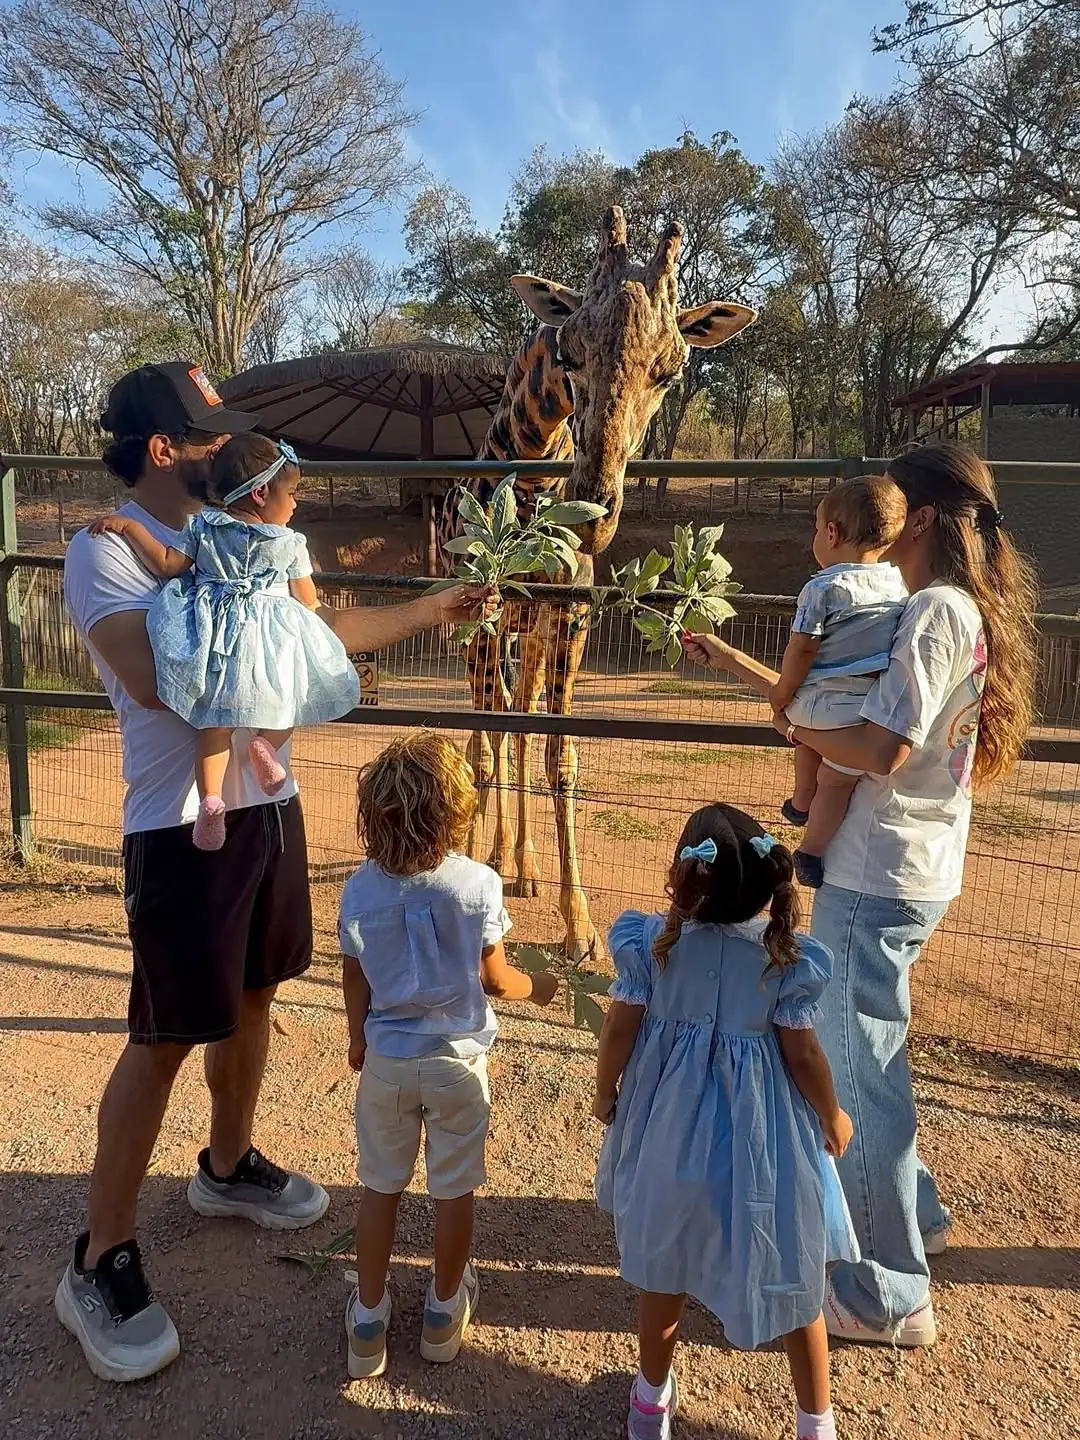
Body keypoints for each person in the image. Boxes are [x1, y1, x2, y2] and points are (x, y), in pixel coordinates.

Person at [59, 362, 491, 1383]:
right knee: (163, 1034)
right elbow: (159, 681)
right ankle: (97, 1257)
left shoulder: (247, 539)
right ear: (164, 450)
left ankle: (226, 1164)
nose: (231, 450)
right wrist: (254, 612)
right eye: (210, 435)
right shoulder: (106, 550)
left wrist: (434, 609)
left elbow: (311, 635)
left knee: (257, 995)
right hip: (179, 825)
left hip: (268, 808)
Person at [683, 442, 1037, 1347]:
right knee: (871, 1055)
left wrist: (793, 723)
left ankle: (887, 1293)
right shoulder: (934, 609)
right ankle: (917, 1218)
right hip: (904, 866)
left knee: (858, 1074)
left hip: (878, 875)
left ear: (920, 517)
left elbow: (876, 749)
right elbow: (841, 716)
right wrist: (753, 677)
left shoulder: (932, 611)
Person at [593, 802, 856, 1440]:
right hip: (762, 1142)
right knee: (793, 1270)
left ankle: (649, 1406)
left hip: (669, 1135)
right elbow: (803, 1054)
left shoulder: (652, 946)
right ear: (766, 889)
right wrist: (832, 1114)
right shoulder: (784, 959)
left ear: (685, 879)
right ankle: (815, 1422)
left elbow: (619, 1029)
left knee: (665, 1269)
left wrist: (605, 1093)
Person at [340, 732, 558, 1379]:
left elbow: (354, 977)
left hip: (387, 1062)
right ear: (457, 811)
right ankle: (442, 1309)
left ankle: (368, 1320)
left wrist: (357, 1037)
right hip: (457, 1065)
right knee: (454, 1188)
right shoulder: (477, 884)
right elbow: (496, 979)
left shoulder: (360, 889)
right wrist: (540, 986)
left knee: (380, 1187)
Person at [88, 433, 361, 851]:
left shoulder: (203, 527)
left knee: (214, 725)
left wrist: (130, 528)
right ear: (261, 493)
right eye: (292, 493)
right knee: (289, 698)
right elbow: (308, 601)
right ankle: (265, 745)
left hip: (218, 644)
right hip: (268, 644)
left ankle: (211, 801)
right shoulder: (290, 543)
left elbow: (166, 565)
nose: (295, 503)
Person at [770, 476, 908, 889]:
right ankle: (811, 852)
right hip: (862, 710)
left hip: (813, 703)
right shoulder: (899, 584)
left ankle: (801, 799)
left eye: (817, 528)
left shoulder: (822, 588)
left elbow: (802, 648)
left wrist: (783, 692)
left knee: (808, 740)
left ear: (832, 533)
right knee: (838, 781)